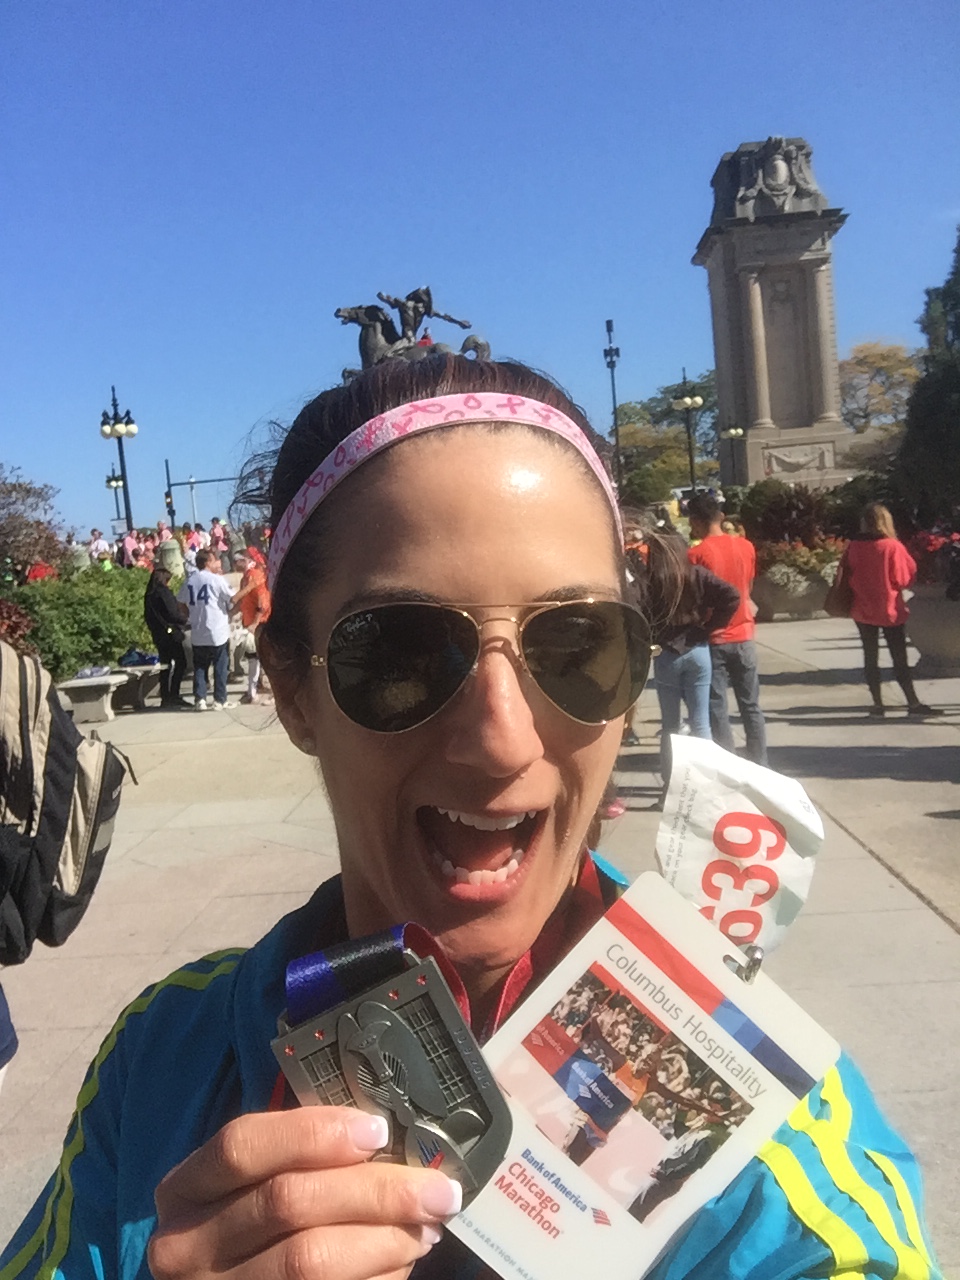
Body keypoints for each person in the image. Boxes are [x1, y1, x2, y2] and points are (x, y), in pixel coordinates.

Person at [3, 356, 940, 1280]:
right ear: (290, 688)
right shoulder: (161, 1056)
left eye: (577, 644)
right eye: (402, 652)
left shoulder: (782, 1169)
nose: (501, 740)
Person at [643, 529, 741, 805]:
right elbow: (732, 595)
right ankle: (706, 788)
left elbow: (635, 609)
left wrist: (650, 635)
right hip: (697, 649)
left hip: (667, 653)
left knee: (671, 725)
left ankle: (670, 790)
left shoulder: (651, 582)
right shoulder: (696, 574)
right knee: (701, 722)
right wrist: (711, 626)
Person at [687, 492, 768, 765]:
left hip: (714, 637)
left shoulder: (696, 554)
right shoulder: (746, 547)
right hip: (744, 633)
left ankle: (728, 762)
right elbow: (748, 587)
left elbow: (695, 598)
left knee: (716, 706)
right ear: (720, 517)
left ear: (695, 521)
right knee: (751, 705)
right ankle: (760, 760)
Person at [845, 503, 942, 717]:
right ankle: (912, 702)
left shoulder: (854, 546)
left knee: (870, 656)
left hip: (862, 607)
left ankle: (877, 704)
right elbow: (903, 578)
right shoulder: (892, 546)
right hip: (889, 608)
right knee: (899, 657)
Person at [177, 548, 234, 710]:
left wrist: (188, 614)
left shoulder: (190, 581)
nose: (217, 563)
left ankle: (200, 699)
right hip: (217, 629)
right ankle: (220, 699)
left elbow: (180, 601)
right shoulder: (217, 580)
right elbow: (231, 597)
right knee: (220, 665)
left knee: (200, 667)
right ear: (208, 562)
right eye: (214, 560)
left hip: (198, 629)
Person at [143, 566, 189, 708]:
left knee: (165, 665)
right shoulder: (164, 593)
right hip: (170, 634)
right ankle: (174, 694)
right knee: (181, 663)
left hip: (158, 634)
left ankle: (165, 695)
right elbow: (172, 613)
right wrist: (185, 620)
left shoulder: (149, 595)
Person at [230, 546, 271, 704]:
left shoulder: (255, 575)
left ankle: (255, 692)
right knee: (253, 658)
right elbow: (242, 601)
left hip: (260, 624)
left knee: (259, 658)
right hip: (250, 623)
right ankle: (253, 690)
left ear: (244, 561)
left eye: (237, 560)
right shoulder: (246, 577)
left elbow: (262, 603)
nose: (234, 564)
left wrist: (254, 623)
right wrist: (230, 614)